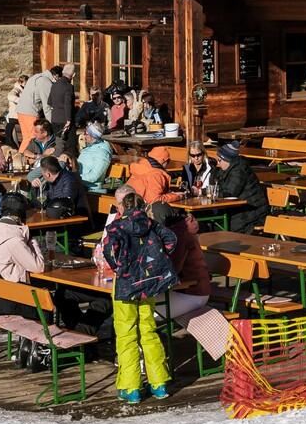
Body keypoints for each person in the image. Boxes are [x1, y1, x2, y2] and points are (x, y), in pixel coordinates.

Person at [100, 192, 178, 404]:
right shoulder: (151, 224)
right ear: (143, 207)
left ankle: (131, 386)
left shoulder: (116, 227)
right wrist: (158, 260)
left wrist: (119, 267)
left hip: (126, 283)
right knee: (148, 330)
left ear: (122, 208)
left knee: (126, 334)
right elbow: (171, 239)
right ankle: (159, 383)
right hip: (148, 283)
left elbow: (109, 250)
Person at [151, 200, 211, 322]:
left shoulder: (177, 236)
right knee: (135, 307)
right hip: (184, 289)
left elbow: (173, 269)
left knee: (142, 312)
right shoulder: (175, 231)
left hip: (193, 293)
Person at [207, 141, 269, 233]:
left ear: (228, 160)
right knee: (211, 220)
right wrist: (213, 171)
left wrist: (205, 192)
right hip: (242, 209)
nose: (218, 164)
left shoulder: (239, 170)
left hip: (252, 210)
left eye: (220, 160)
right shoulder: (228, 168)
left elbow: (229, 193)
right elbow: (215, 184)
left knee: (222, 224)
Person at [77, 121, 114, 187]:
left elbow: (94, 176)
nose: (84, 135)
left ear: (93, 136)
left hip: (90, 187)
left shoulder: (102, 153)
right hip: (79, 184)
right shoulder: (89, 148)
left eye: (86, 133)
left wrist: (76, 178)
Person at [44, 63, 78, 131]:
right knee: (71, 141)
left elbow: (49, 102)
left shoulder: (54, 85)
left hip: (54, 118)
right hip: (65, 120)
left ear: (62, 72)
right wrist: (68, 120)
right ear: (73, 74)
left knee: (57, 140)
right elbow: (67, 104)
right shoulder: (69, 87)